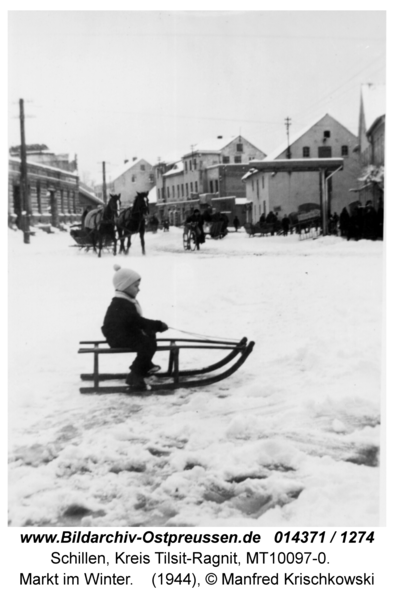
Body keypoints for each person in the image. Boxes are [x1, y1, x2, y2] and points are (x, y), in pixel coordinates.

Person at [102, 265, 168, 391]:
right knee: (147, 344)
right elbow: (136, 321)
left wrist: (152, 328)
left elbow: (134, 322)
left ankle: (145, 364)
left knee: (149, 335)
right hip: (117, 337)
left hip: (123, 334)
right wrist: (158, 325)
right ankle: (135, 375)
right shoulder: (121, 304)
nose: (139, 289)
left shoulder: (125, 300)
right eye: (135, 286)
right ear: (124, 286)